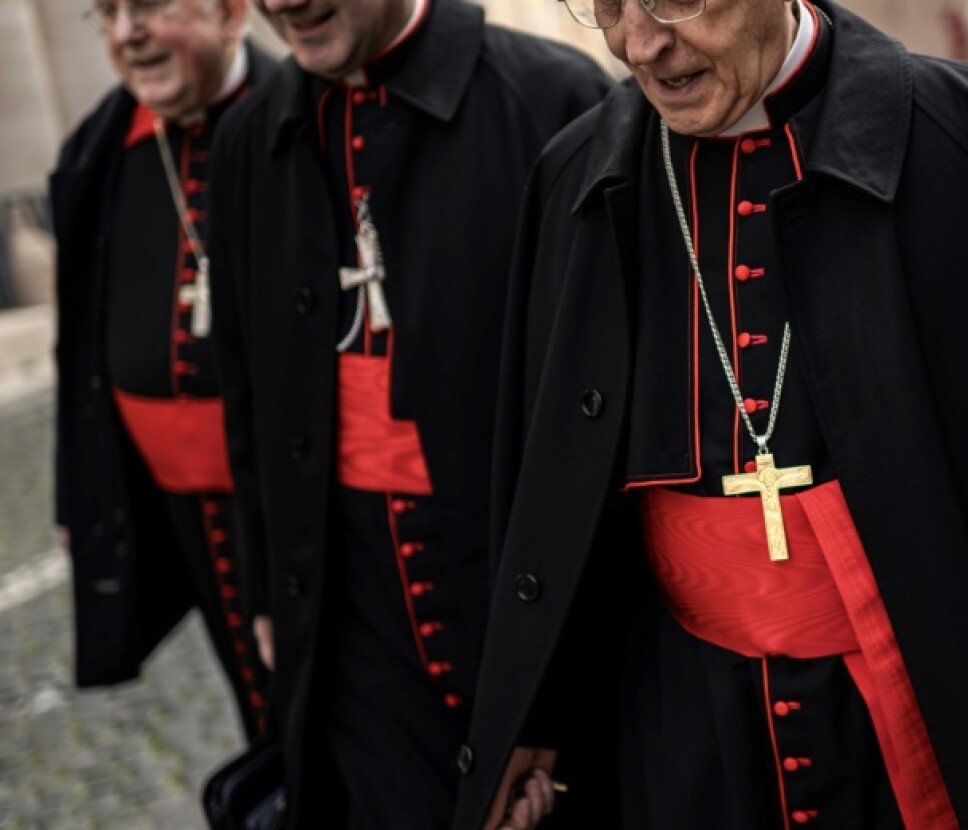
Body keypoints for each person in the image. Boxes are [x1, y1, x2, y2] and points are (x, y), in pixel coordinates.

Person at [454, 0, 968, 828]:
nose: (640, 43)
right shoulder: (573, 177)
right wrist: (532, 717)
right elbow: (550, 503)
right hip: (682, 737)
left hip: (949, 714)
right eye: (607, 4)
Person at [206, 0, 610, 826]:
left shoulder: (552, 98)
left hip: (518, 606)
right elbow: (247, 395)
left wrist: (562, 692)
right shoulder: (250, 140)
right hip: (357, 634)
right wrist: (269, 591)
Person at [50, 0, 276, 745]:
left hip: (294, 503)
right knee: (257, 700)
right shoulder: (98, 151)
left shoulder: (297, 118)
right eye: (106, 13)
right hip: (176, 509)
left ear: (232, 12)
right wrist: (80, 488)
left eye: (147, 4)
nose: (126, 34)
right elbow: (78, 343)